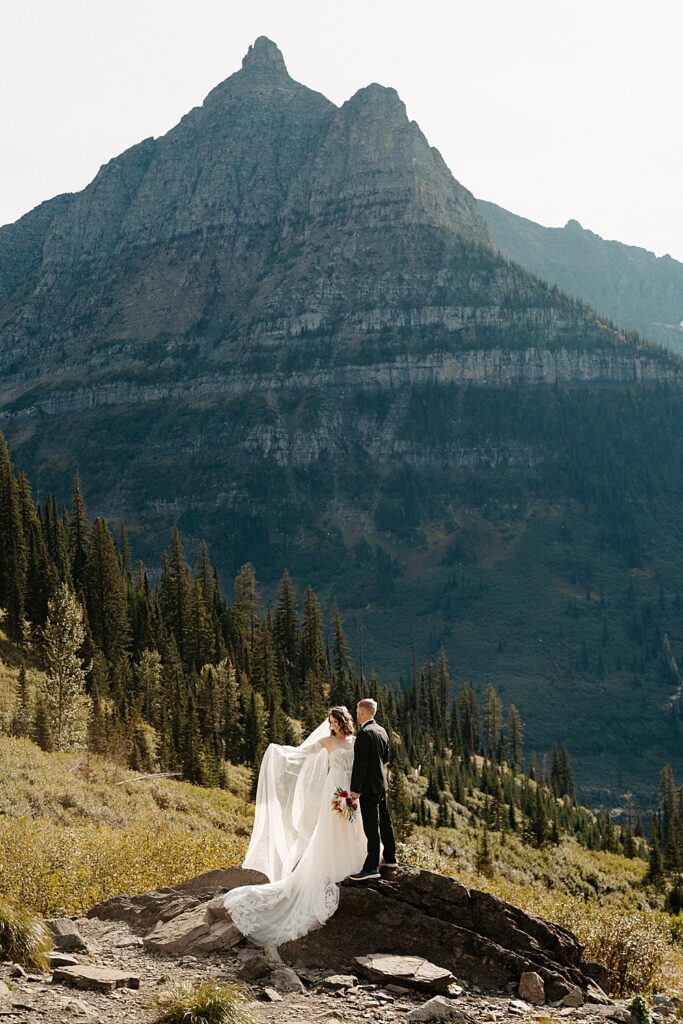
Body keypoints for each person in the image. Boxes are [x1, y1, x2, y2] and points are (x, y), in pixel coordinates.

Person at [223, 706, 366, 946]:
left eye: (335, 722)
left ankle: (356, 863)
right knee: (331, 830)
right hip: (334, 790)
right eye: (330, 722)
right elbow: (303, 753)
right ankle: (333, 868)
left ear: (344, 722)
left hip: (351, 790)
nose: (332, 726)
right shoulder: (326, 741)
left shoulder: (354, 740)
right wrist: (280, 751)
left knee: (353, 827)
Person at [347, 698, 398, 881]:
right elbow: (385, 757)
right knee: (385, 821)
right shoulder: (381, 731)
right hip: (380, 784)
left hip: (368, 787)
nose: (356, 715)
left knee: (371, 826)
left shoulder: (364, 733)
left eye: (358, 711)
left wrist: (355, 789)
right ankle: (391, 858)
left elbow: (360, 764)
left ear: (363, 711)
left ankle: (371, 867)